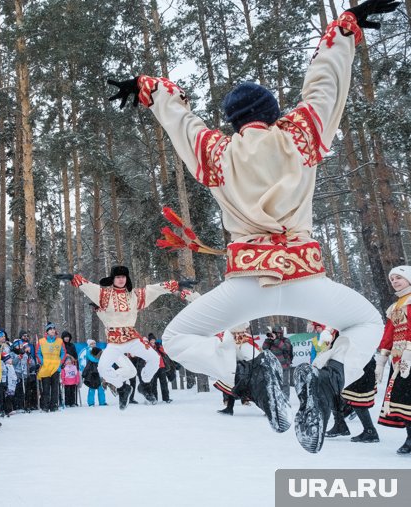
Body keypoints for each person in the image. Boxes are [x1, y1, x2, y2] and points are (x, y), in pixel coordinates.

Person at [107, 0, 398, 451]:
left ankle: (250, 377)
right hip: (305, 276)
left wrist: (148, 88)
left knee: (178, 338)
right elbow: (324, 82)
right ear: (274, 109)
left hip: (246, 281)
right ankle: (327, 381)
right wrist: (346, 28)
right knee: (366, 324)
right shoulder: (300, 134)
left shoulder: (216, 152)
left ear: (232, 121)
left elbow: (180, 120)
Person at [65, 266, 196, 409]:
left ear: (126, 279)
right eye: (118, 277)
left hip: (132, 338)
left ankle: (145, 384)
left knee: (155, 358)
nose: (121, 279)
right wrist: (73, 278)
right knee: (102, 368)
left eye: (123, 277)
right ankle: (122, 389)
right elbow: (88, 286)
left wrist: (176, 285)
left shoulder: (134, 295)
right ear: (113, 279)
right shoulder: (104, 294)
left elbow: (154, 289)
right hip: (114, 342)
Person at [376, 266, 411, 454]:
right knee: (402, 400)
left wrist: (409, 350)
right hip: (398, 361)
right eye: (392, 279)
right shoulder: (394, 307)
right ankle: (410, 437)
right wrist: (382, 359)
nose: (395, 281)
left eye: (399, 278)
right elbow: (388, 333)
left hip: (409, 357)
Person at [37, 323, 65, 412]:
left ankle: (54, 406)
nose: (53, 330)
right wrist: (43, 362)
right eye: (50, 329)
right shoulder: (41, 341)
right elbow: (38, 354)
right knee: (45, 389)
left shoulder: (59, 341)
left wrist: (59, 364)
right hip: (45, 368)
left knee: (55, 388)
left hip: (55, 368)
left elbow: (63, 353)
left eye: (54, 329)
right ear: (47, 331)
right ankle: (45, 406)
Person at [262, 326, 294, 397]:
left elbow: (285, 347)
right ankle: (277, 399)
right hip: (273, 367)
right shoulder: (270, 341)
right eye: (274, 333)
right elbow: (264, 348)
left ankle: (286, 399)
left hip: (284, 366)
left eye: (277, 333)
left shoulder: (286, 340)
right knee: (274, 384)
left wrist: (276, 340)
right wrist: (268, 340)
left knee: (285, 384)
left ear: (280, 333)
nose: (276, 334)